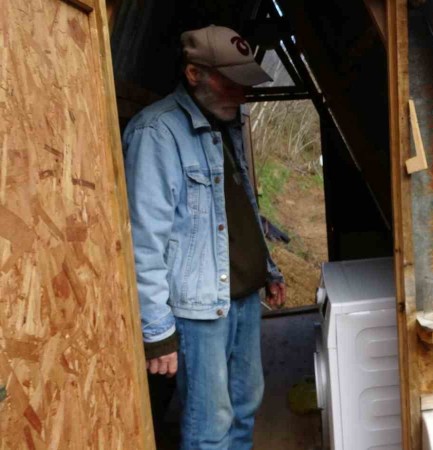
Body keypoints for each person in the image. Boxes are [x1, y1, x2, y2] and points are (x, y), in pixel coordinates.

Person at [122, 25, 286, 449]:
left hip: (243, 298)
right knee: (209, 425)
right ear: (194, 74)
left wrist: (268, 269)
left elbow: (241, 208)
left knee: (245, 405)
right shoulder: (157, 133)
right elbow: (143, 242)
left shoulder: (227, 123)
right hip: (200, 311)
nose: (242, 93)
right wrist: (157, 332)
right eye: (231, 81)